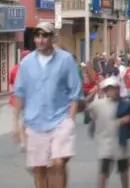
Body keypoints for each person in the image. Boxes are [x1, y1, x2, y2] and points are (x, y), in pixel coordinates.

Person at [13, 20, 83, 188]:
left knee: (58, 163)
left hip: (60, 120)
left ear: (53, 38)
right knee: (40, 170)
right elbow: (20, 94)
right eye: (37, 35)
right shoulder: (26, 63)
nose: (40, 39)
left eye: (45, 35)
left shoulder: (65, 60)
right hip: (35, 122)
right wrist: (16, 123)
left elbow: (75, 93)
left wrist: (70, 120)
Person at [86, 76, 130, 188]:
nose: (113, 91)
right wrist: (93, 93)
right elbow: (85, 107)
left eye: (115, 88)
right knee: (104, 171)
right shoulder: (98, 104)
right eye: (109, 89)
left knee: (124, 169)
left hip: (120, 142)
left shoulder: (125, 104)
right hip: (105, 142)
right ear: (105, 91)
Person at [9, 49, 30, 150]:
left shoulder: (14, 69)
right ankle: (26, 139)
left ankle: (23, 142)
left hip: (17, 99)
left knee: (21, 120)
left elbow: (12, 85)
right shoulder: (33, 68)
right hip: (29, 100)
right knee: (27, 120)